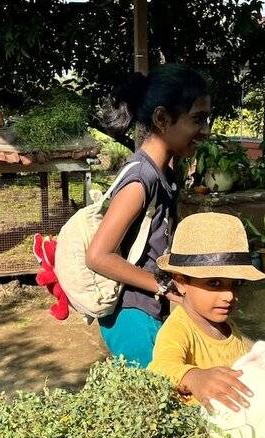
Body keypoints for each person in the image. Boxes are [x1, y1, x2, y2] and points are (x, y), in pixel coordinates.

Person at [86, 64, 211, 367]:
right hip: (132, 317)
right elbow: (98, 256)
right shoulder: (141, 179)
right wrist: (164, 287)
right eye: (197, 119)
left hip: (149, 311)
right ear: (162, 118)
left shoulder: (162, 174)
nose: (205, 130)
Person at [148, 212, 265, 412]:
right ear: (181, 281)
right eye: (214, 283)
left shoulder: (228, 328)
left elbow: (250, 351)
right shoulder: (179, 328)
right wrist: (194, 377)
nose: (229, 295)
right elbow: (160, 368)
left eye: (236, 284)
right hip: (197, 427)